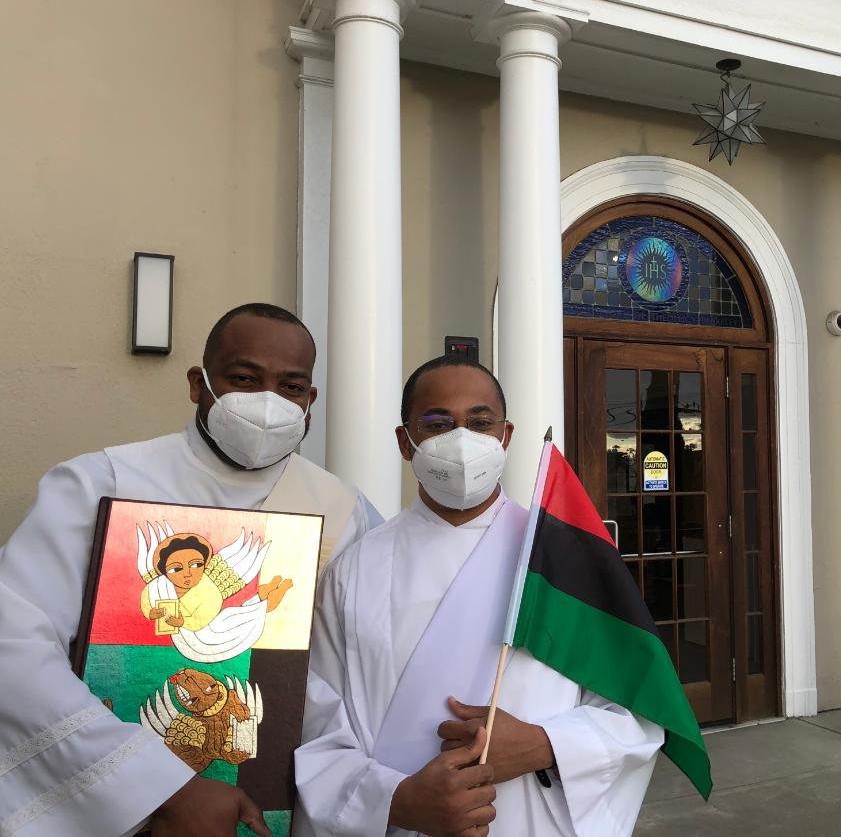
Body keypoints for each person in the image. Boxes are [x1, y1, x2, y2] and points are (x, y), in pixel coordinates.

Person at [0, 303, 381, 837]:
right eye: (244, 379)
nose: (267, 402)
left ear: (310, 400)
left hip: (273, 808)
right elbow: (13, 645)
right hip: (117, 808)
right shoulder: (100, 484)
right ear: (199, 383)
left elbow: (345, 681)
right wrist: (154, 785)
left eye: (290, 386)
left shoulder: (344, 510)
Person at [295, 356, 663, 837]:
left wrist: (544, 743)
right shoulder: (353, 570)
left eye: (480, 422)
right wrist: (397, 800)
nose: (461, 438)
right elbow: (318, 727)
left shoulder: (563, 557)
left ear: (505, 436)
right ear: (405, 443)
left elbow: (636, 711)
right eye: (438, 423)